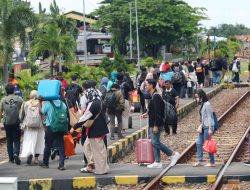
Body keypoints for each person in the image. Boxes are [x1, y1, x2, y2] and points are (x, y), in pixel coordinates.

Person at [142, 79, 180, 169]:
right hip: (153, 123)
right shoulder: (153, 96)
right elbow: (154, 111)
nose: (145, 86)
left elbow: (158, 113)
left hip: (156, 124)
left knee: (155, 142)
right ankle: (157, 161)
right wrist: (147, 114)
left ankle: (173, 154)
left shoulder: (156, 97)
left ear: (151, 85)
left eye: (146, 85)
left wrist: (155, 126)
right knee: (154, 142)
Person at [71, 88, 109, 174]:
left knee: (98, 151)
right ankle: (93, 165)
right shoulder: (99, 101)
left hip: (96, 130)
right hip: (98, 129)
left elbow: (85, 117)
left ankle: (101, 170)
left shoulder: (94, 103)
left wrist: (75, 127)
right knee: (88, 146)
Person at [38, 95, 67, 170]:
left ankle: (45, 163)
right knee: (61, 145)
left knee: (48, 145)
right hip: (61, 127)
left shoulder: (48, 104)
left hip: (50, 127)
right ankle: (61, 165)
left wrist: (40, 102)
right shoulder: (63, 104)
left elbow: (41, 112)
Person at [19, 90, 44, 165]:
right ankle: (36, 159)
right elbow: (43, 114)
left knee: (29, 141)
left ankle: (29, 155)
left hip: (28, 127)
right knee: (38, 142)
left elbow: (21, 116)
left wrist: (23, 122)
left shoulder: (25, 103)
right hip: (39, 126)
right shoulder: (41, 103)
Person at [0, 83, 23, 165]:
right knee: (16, 140)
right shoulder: (19, 99)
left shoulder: (3, 100)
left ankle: (11, 158)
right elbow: (23, 109)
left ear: (6, 91)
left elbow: (0, 112)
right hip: (16, 122)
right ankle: (16, 153)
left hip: (7, 123)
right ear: (13, 90)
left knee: (9, 140)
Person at [193, 89, 215, 167]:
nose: (197, 99)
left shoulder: (207, 104)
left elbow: (209, 117)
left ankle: (212, 162)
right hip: (203, 126)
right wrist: (200, 125)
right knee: (198, 142)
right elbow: (203, 117)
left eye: (197, 97)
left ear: (201, 96)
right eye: (196, 97)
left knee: (208, 144)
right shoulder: (203, 104)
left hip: (207, 127)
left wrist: (209, 128)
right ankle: (200, 160)